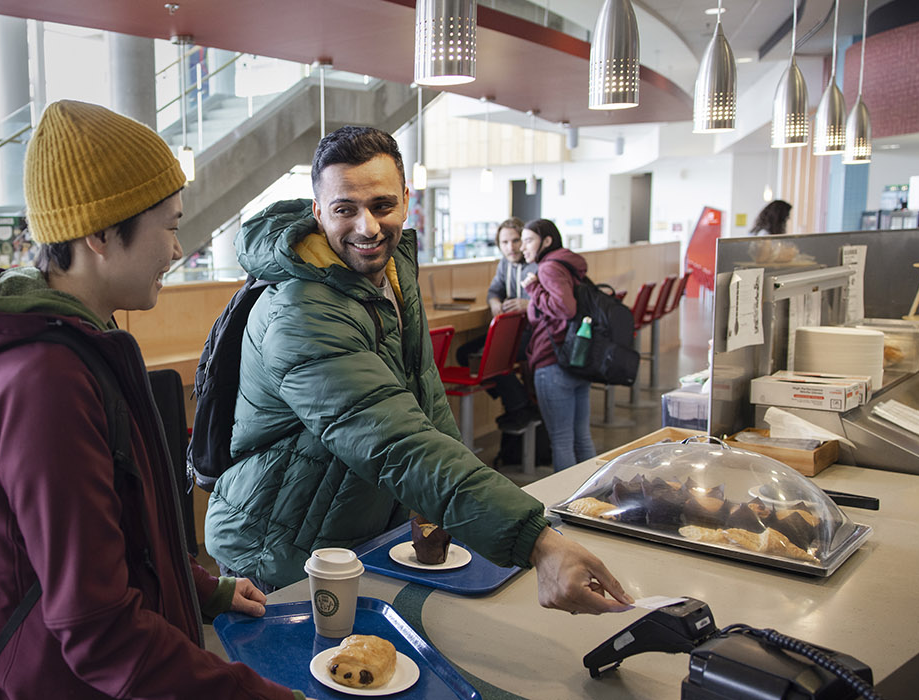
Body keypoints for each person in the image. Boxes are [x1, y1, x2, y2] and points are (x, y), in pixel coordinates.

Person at [0, 100, 304, 700]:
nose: (177, 251)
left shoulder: (76, 347)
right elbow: (95, 630)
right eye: (171, 226)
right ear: (100, 232)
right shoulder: (42, 380)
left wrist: (202, 590)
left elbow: (120, 535)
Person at [204, 125, 631, 617]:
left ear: (407, 202)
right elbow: (396, 442)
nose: (367, 226)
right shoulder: (300, 312)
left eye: (382, 206)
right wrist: (535, 540)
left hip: (348, 532)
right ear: (318, 212)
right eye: (345, 209)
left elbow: (426, 405)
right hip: (277, 547)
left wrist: (443, 513)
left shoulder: (389, 272)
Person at [519, 218, 596, 472]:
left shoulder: (548, 268)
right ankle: (591, 500)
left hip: (553, 361)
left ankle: (568, 505)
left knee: (562, 440)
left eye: (528, 240)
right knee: (581, 437)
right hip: (576, 356)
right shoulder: (568, 264)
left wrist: (533, 289)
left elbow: (565, 307)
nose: (522, 247)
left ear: (547, 241)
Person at [451, 217, 539, 429]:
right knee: (464, 354)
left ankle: (519, 407)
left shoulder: (538, 264)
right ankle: (515, 401)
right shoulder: (504, 264)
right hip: (511, 331)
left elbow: (552, 302)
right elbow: (494, 291)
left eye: (516, 241)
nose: (511, 247)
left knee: (493, 359)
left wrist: (528, 304)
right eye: (505, 243)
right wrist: (494, 302)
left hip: (535, 333)